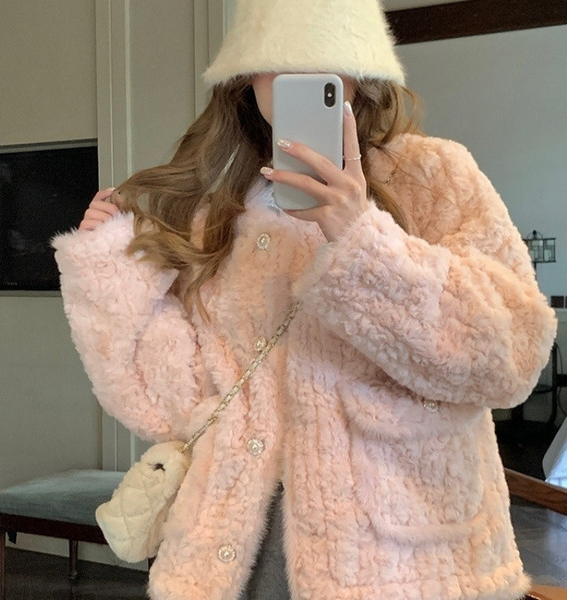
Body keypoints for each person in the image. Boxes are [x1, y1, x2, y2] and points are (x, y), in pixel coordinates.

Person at [52, 1, 557, 598]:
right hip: (235, 557)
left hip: (400, 565)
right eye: (280, 60)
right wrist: (110, 268)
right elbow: (171, 407)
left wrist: (362, 240)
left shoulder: (432, 176)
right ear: (246, 75)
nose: (304, 74)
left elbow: (511, 357)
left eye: (326, 60)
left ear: (359, 73)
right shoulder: (215, 209)